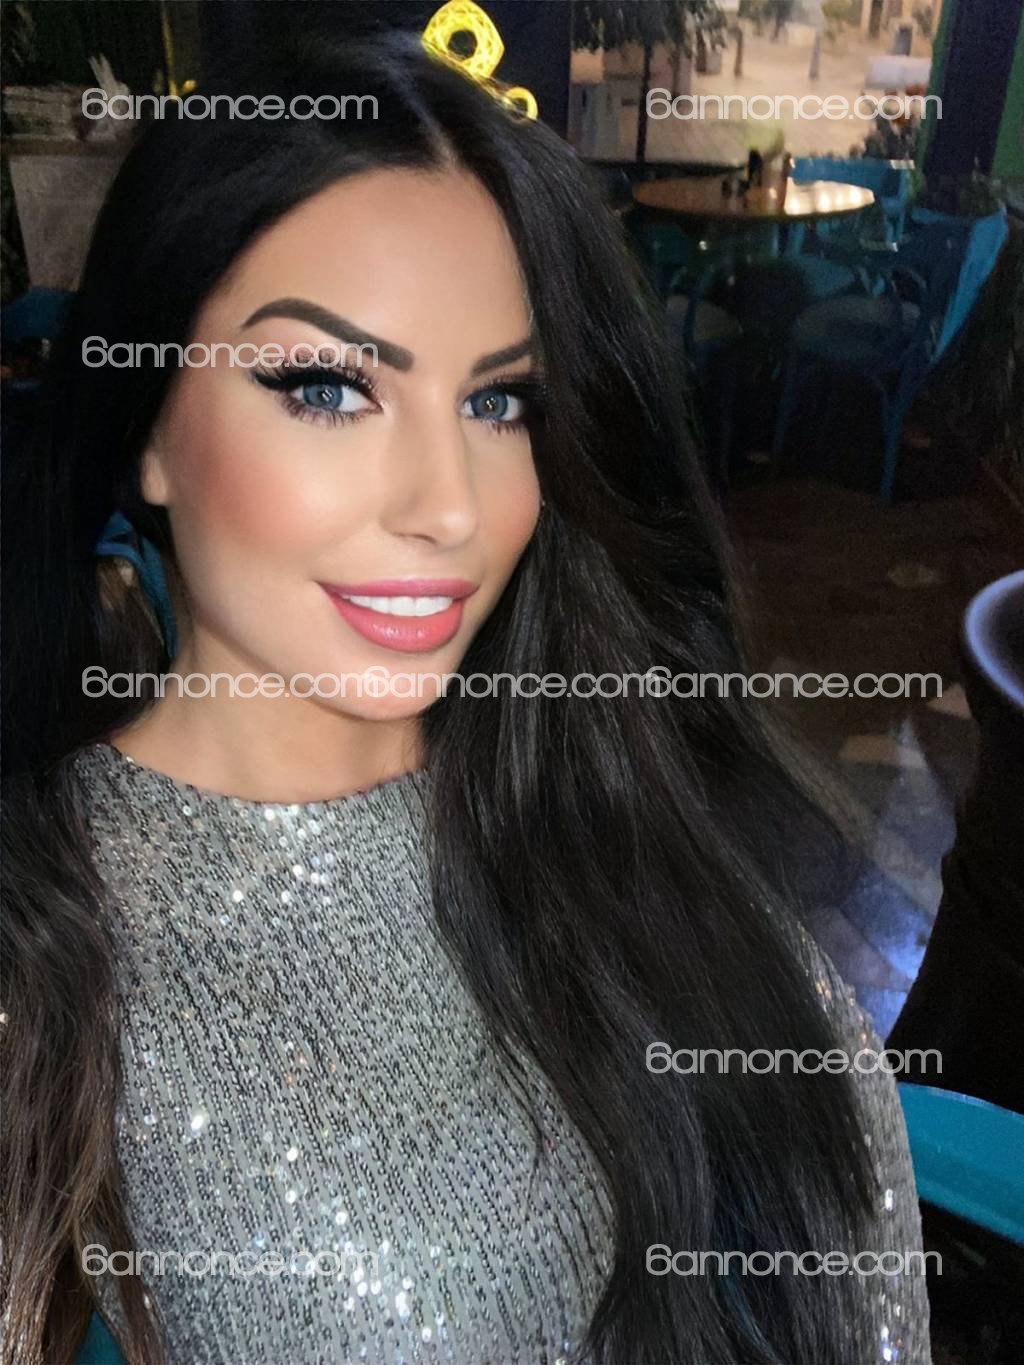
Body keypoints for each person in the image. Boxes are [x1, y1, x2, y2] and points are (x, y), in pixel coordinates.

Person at [1, 32, 930, 1365]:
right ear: (148, 424)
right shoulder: (47, 933)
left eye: (499, 403)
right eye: (328, 388)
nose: (449, 507)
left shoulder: (584, 780)